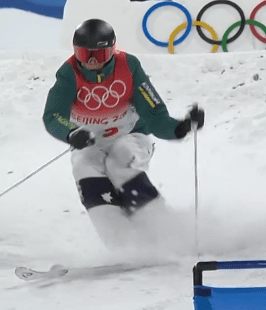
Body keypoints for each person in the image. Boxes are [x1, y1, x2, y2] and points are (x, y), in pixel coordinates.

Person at [42, 18, 204, 250]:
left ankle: (165, 229)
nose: (90, 63)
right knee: (83, 166)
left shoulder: (127, 66)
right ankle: (121, 244)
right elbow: (52, 115)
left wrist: (179, 128)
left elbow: (154, 112)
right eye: (83, 54)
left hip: (130, 135)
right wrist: (71, 134)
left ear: (112, 50)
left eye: (98, 56)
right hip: (90, 141)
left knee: (121, 158)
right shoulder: (69, 74)